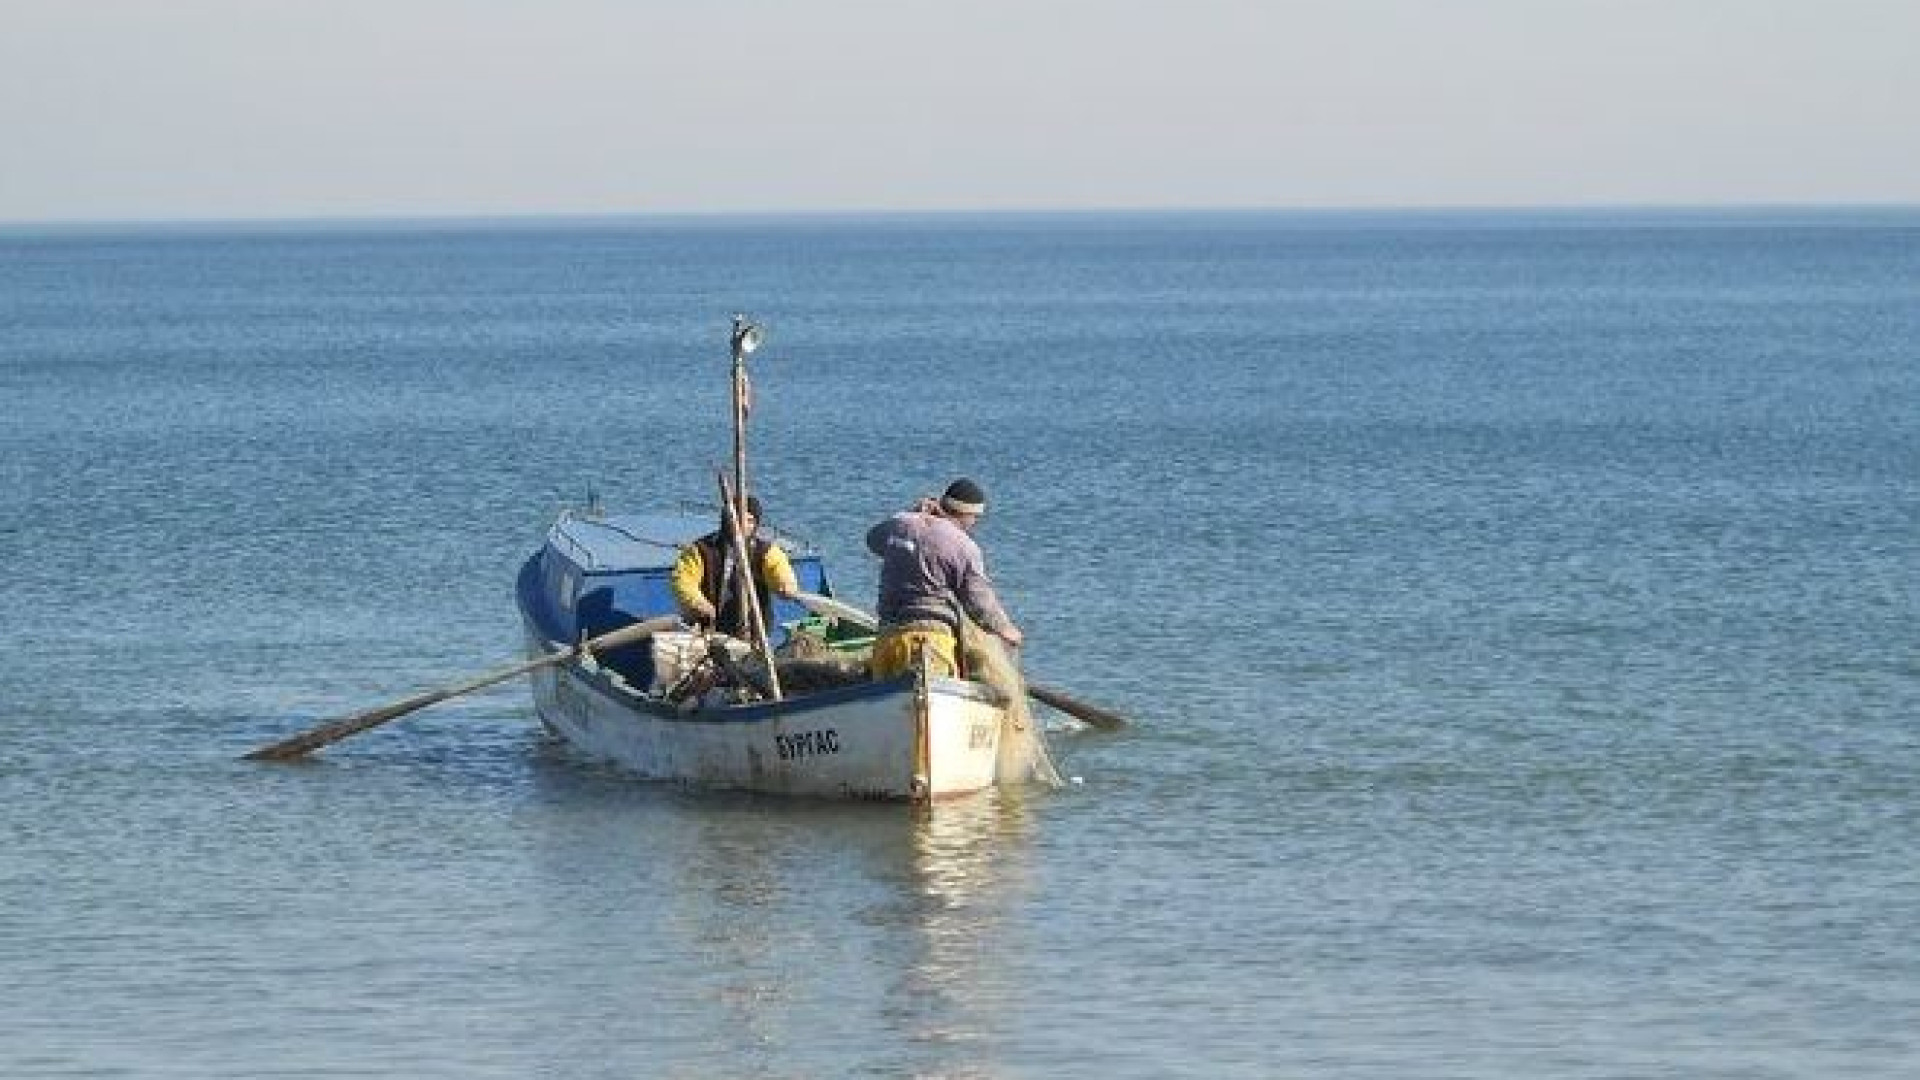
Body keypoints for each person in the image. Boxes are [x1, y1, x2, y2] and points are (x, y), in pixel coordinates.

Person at [865, 477, 1023, 680]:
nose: (974, 524)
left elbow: (872, 540)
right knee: (936, 688)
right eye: (975, 518)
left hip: (887, 638)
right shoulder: (963, 546)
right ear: (966, 514)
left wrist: (914, 513)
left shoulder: (901, 524)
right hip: (933, 640)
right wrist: (1005, 629)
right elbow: (978, 600)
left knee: (888, 697)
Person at [672, 495, 800, 639]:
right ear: (726, 519)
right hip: (707, 628)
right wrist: (697, 602)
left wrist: (785, 586)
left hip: (752, 630)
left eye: (750, 521)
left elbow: (778, 569)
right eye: (737, 519)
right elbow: (683, 580)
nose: (743, 525)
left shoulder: (765, 551)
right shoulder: (701, 549)